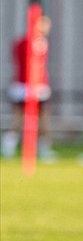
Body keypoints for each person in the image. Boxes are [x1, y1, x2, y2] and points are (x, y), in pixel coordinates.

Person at [2, 14, 54, 160]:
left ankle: (11, 146)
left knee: (24, 118)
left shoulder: (22, 42)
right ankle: (40, 149)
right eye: (45, 24)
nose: (48, 28)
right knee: (36, 118)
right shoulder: (36, 43)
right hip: (31, 85)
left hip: (25, 85)